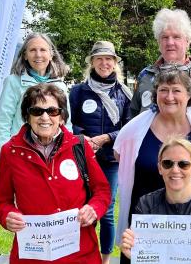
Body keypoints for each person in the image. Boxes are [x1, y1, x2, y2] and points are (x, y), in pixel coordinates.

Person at [113, 69, 191, 263]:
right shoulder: (135, 129)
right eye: (163, 90)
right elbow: (120, 155)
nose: (169, 97)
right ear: (155, 94)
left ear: (189, 95)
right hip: (147, 217)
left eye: (176, 90)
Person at [0, 83, 111, 263]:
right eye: (37, 111)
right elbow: (1, 201)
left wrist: (94, 209)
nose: (45, 117)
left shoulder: (79, 146)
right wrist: (7, 215)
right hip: (33, 255)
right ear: (27, 116)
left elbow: (102, 190)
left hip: (80, 253)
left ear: (62, 117)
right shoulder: (11, 151)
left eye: (52, 111)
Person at [120, 136, 191, 263]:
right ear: (160, 168)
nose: (175, 170)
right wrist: (133, 256)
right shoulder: (145, 204)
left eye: (183, 164)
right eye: (167, 163)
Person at [69, 41, 132, 264]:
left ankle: (104, 260)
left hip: (110, 160)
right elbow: (69, 122)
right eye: (99, 59)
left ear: (115, 63)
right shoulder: (78, 91)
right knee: (81, 208)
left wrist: (107, 138)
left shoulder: (125, 93)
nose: (104, 63)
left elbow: (129, 126)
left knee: (105, 211)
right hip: (82, 158)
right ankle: (81, 256)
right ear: (92, 63)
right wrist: (83, 138)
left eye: (109, 59)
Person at [0, 32, 71, 157]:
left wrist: (67, 154)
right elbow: (2, 124)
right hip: (21, 152)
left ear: (51, 54)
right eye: (33, 50)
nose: (38, 55)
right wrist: (6, 157)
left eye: (43, 50)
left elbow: (66, 124)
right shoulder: (13, 82)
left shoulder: (60, 86)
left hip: (52, 155)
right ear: (25, 55)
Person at [129, 8, 191, 117]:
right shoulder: (145, 75)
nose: (170, 42)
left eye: (176, 37)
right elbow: (132, 118)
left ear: (188, 41)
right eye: (165, 37)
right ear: (158, 42)